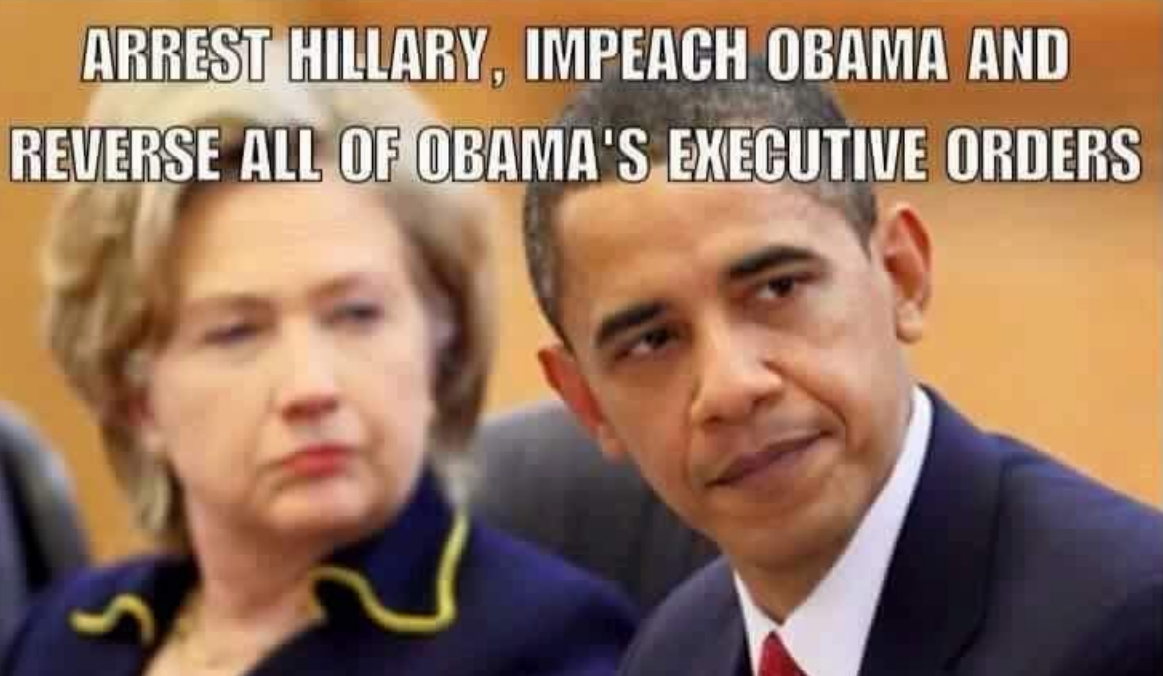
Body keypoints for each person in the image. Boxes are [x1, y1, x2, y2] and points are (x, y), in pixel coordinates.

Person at [2, 45, 635, 676]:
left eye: (356, 314)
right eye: (236, 333)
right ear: (136, 397)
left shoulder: (545, 644)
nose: (311, 387)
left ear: (441, 343)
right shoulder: (63, 638)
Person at [521, 60, 1163, 676]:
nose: (731, 387)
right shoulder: (672, 652)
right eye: (653, 341)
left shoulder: (1129, 629)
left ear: (901, 275)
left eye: (777, 289)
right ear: (588, 403)